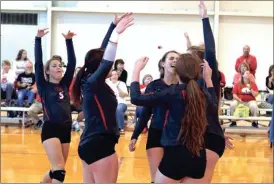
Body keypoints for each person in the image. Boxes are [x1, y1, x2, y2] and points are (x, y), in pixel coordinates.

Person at [130, 54, 217, 182]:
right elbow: (214, 106)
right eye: (171, 58)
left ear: (178, 70)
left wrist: (136, 70)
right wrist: (208, 79)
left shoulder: (172, 92)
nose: (174, 61)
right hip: (198, 155)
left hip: (176, 153)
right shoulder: (201, 92)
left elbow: (136, 98)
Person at [72, 13, 134, 183]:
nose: (112, 68)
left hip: (90, 143)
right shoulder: (93, 82)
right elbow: (105, 61)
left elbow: (101, 54)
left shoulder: (89, 79)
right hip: (100, 144)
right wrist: (116, 36)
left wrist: (113, 26)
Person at [129, 51, 179, 183]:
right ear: (163, 63)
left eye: (178, 59)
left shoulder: (183, 86)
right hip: (156, 133)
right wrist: (135, 135)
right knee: (156, 178)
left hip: (177, 136)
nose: (175, 61)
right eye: (171, 58)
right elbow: (146, 112)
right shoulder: (154, 85)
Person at [35, 28, 76, 183]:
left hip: (66, 129)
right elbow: (38, 63)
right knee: (60, 171)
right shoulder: (44, 86)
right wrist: (38, 39)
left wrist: (69, 41)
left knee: (56, 170)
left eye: (60, 65)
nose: (58, 67)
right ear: (47, 71)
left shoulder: (65, 84)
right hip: (51, 128)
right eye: (54, 65)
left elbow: (72, 64)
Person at [106, 69, 129, 134]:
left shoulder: (122, 83)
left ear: (118, 76)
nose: (114, 76)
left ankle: (120, 128)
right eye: (112, 74)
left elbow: (124, 95)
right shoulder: (107, 83)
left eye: (116, 74)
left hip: (121, 103)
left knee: (118, 109)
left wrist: (118, 87)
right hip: (110, 103)